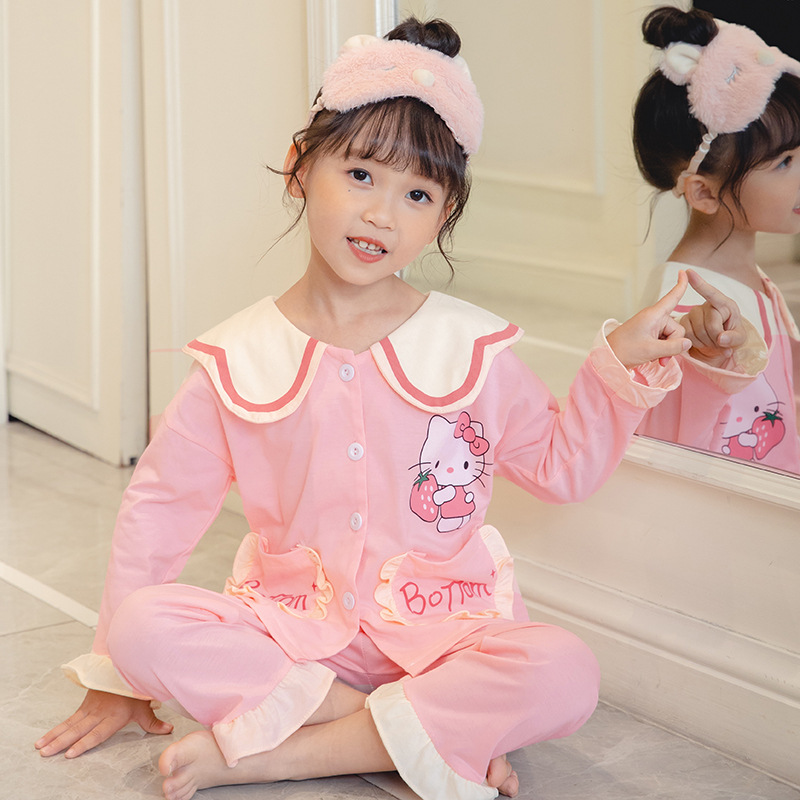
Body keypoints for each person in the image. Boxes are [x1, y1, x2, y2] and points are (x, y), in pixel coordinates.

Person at [36, 17, 694, 800]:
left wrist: (621, 362)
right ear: (298, 169)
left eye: (417, 194)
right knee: (144, 627)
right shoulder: (238, 358)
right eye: (360, 175)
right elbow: (159, 510)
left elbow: (562, 469)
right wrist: (116, 674)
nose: (383, 213)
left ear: (443, 216)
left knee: (564, 672)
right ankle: (407, 731)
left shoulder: (470, 350)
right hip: (294, 634)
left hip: (446, 636)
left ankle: (285, 752)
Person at [633, 6, 800, 472]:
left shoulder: (744, 272)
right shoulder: (689, 308)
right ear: (704, 192)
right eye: (785, 162)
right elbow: (676, 442)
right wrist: (705, 351)